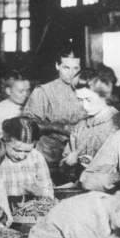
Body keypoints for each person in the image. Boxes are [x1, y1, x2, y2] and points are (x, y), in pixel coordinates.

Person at [23, 48, 87, 178]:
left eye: (76, 68)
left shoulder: (87, 90)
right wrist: (58, 127)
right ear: (57, 66)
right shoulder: (43, 91)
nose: (71, 73)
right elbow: (27, 123)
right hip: (50, 156)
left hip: (79, 155)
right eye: (66, 68)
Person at [60, 67, 120, 180]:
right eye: (80, 100)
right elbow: (64, 167)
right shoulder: (80, 127)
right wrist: (67, 164)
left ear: (104, 95)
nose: (84, 106)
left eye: (88, 99)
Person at [0, 117, 54, 201]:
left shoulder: (36, 157)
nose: (21, 156)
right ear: (4, 138)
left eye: (27, 151)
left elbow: (49, 192)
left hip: (30, 209)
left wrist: (41, 192)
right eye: (16, 150)